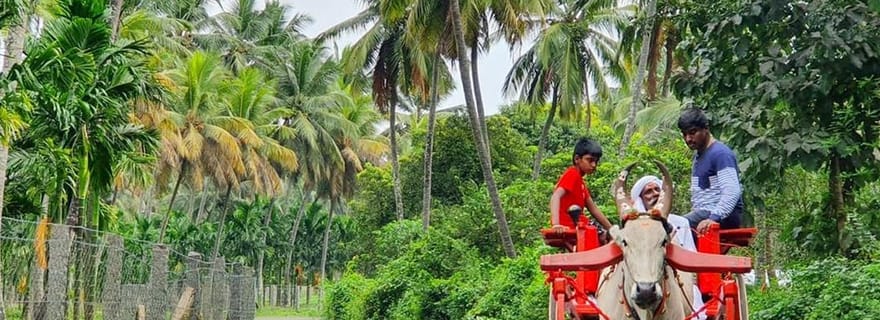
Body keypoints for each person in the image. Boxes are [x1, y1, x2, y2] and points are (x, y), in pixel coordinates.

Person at [631, 175, 706, 320]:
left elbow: (690, 256)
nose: (655, 194)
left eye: (657, 189)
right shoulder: (634, 226)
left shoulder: (680, 222)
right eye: (648, 192)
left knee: (697, 312)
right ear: (641, 198)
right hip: (641, 280)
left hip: (678, 280)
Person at [678, 108, 744, 234]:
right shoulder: (699, 156)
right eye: (684, 134)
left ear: (706, 129)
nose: (688, 139)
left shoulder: (720, 153)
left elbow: (732, 191)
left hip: (722, 215)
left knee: (676, 225)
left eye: (692, 133)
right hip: (705, 212)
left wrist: (714, 218)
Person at [549, 138, 613, 233]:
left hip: (581, 225)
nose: (594, 165)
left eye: (596, 161)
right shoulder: (572, 174)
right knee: (603, 235)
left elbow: (594, 209)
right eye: (590, 160)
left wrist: (613, 230)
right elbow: (556, 196)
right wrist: (556, 224)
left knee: (605, 234)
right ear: (577, 159)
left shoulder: (581, 183)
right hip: (569, 226)